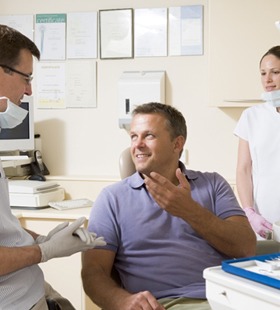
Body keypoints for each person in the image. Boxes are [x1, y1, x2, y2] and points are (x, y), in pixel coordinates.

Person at [82, 102, 256, 310]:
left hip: (228, 298)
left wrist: (189, 210)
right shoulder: (112, 198)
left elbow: (246, 247)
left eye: (149, 136)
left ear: (177, 144)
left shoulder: (213, 184)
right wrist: (122, 301)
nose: (138, 144)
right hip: (165, 304)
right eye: (133, 136)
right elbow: (93, 272)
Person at [0, 24, 106, 310]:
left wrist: (43, 238)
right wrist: (44, 251)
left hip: (29, 287)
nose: (29, 89)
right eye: (26, 78)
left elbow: (4, 232)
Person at [234, 45, 280, 239]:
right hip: (264, 224)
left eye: (275, 72)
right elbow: (243, 169)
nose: (267, 80)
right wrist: (249, 212)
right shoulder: (251, 116)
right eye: (263, 73)